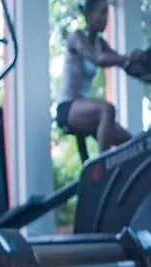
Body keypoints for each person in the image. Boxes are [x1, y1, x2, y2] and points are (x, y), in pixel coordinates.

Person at [56, 0, 144, 153]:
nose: (105, 19)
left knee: (132, 143)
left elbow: (125, 64)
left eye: (107, 14)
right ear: (89, 14)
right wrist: (128, 57)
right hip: (68, 108)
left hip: (86, 110)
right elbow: (98, 58)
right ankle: (103, 165)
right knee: (107, 110)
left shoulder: (100, 44)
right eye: (102, 13)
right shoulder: (77, 38)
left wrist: (148, 67)